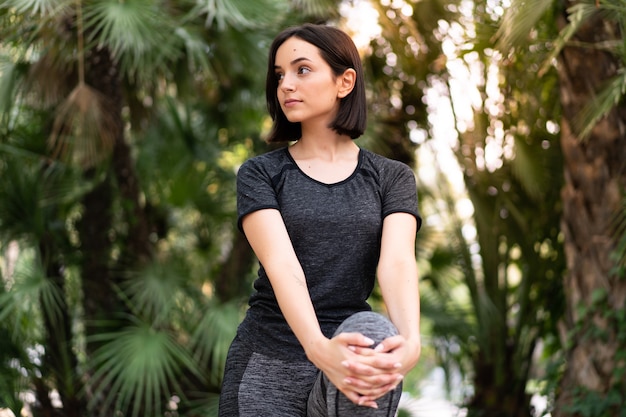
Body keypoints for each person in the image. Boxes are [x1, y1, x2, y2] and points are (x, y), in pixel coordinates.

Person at [218, 23, 422, 417]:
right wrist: (318, 348)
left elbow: (397, 264)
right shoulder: (261, 174)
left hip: (350, 362)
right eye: (279, 75)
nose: (286, 85)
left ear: (345, 82)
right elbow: (283, 266)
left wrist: (411, 343)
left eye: (302, 70)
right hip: (268, 365)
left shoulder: (391, 177)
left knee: (376, 332)